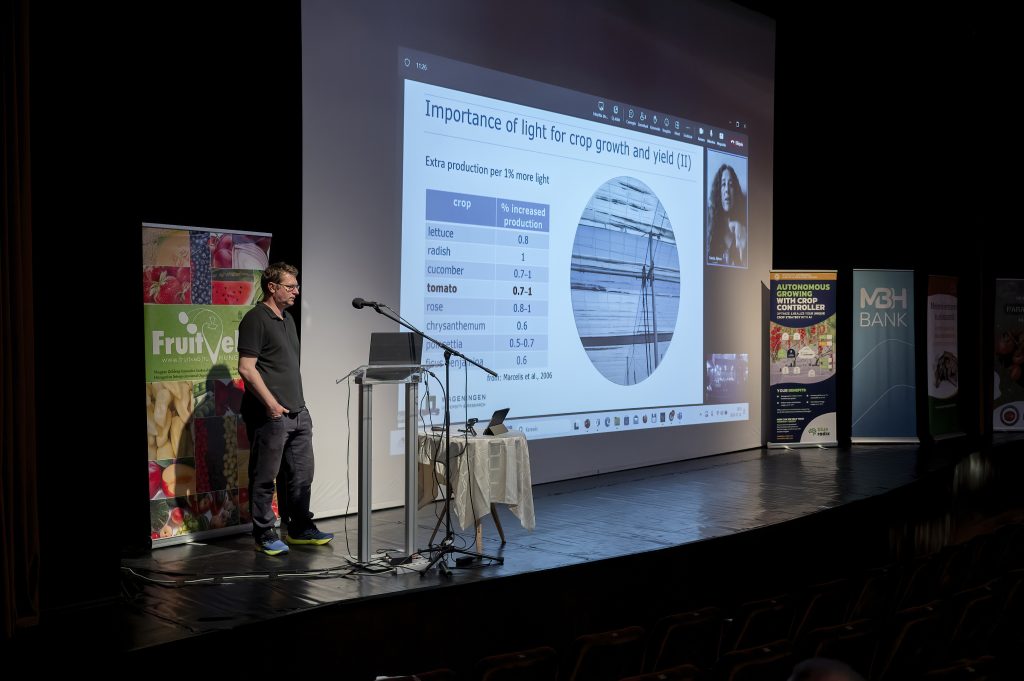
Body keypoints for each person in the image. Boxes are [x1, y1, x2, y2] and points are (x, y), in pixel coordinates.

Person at [237, 262, 333, 555]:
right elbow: (246, 368)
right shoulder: (256, 319)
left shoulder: (287, 319)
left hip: (298, 411)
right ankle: (264, 533)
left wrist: (298, 408)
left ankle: (300, 528)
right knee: (265, 476)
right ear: (272, 287)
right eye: (290, 286)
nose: (296, 292)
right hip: (271, 414)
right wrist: (272, 405)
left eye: (296, 286)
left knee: (302, 475)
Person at [707, 163, 747, 267]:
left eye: (731, 185)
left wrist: (742, 250)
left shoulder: (745, 231)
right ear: (718, 191)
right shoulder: (709, 230)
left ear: (735, 191)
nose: (727, 190)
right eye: (723, 184)